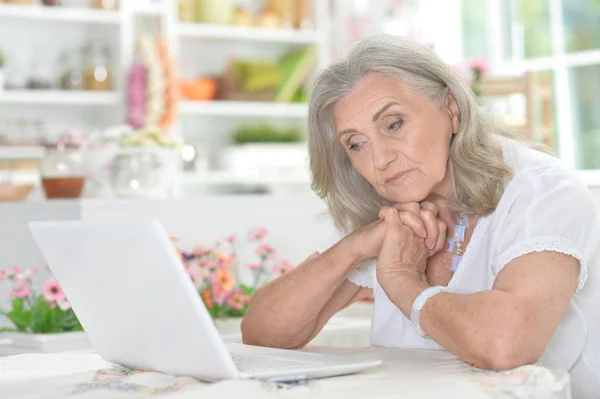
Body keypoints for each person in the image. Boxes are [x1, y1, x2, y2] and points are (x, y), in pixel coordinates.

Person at [241, 34, 600, 398]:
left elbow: (506, 344)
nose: (380, 159)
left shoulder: (542, 190)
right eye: (355, 143)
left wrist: (403, 282)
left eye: (394, 124)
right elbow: (262, 335)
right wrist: (353, 248)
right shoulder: (383, 205)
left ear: (451, 108)